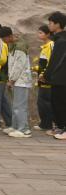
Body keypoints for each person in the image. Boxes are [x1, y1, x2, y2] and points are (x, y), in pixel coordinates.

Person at [6, 27, 33, 138]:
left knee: (20, 106)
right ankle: (16, 126)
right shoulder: (13, 45)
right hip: (16, 80)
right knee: (15, 105)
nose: (4, 41)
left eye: (4, 39)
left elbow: (19, 65)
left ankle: (24, 129)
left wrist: (12, 79)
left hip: (21, 80)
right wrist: (11, 79)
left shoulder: (20, 47)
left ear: (9, 36)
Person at [42, 11, 66, 140]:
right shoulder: (58, 39)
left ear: (58, 24)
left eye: (51, 23)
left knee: (61, 103)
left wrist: (46, 75)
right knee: (56, 103)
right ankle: (60, 127)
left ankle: (64, 128)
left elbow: (55, 61)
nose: (49, 25)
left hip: (61, 78)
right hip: (58, 78)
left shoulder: (62, 40)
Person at [36, 25, 55, 133]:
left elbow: (51, 62)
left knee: (45, 102)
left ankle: (48, 124)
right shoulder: (45, 46)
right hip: (42, 78)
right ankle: (44, 123)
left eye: (41, 33)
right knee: (41, 102)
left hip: (47, 79)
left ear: (48, 34)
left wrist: (44, 75)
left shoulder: (51, 45)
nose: (38, 35)